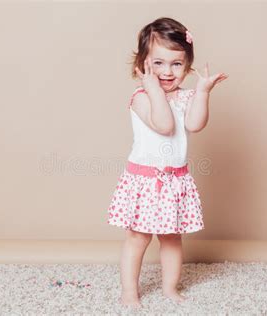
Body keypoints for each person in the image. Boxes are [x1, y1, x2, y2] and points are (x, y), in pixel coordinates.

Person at [106, 17, 228, 308]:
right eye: (157, 63)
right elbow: (163, 125)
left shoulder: (184, 97)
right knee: (138, 238)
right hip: (145, 181)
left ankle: (170, 288)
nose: (167, 71)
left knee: (172, 238)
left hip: (175, 180)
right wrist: (152, 88)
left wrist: (202, 92)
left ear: (187, 66)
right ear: (142, 65)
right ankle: (129, 292)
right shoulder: (142, 98)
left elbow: (196, 124)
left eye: (176, 64)